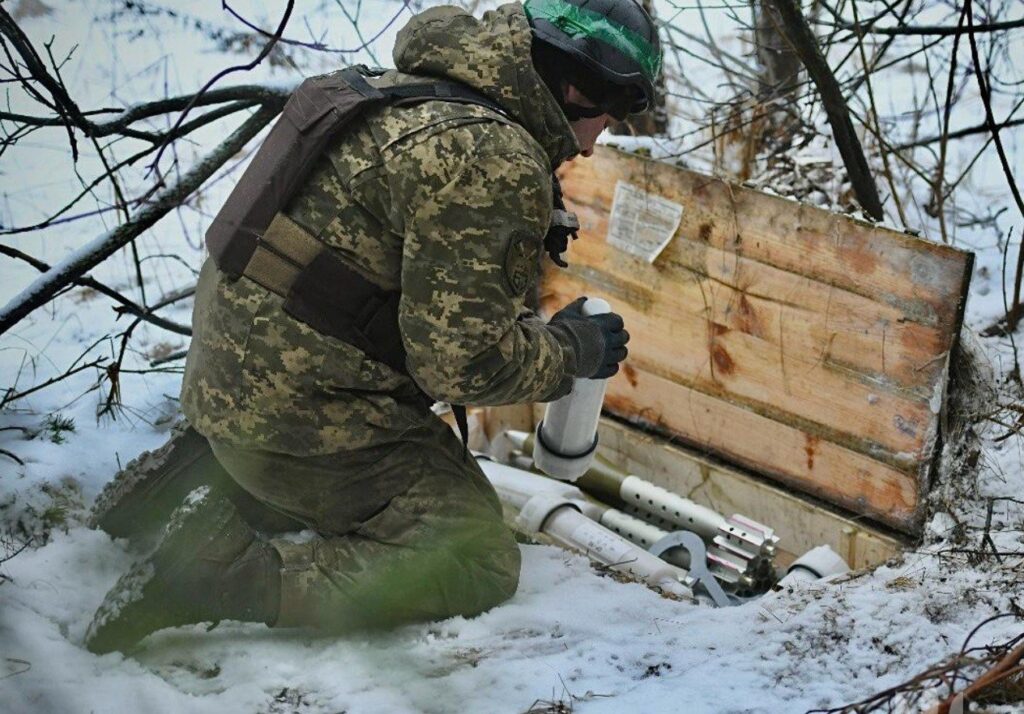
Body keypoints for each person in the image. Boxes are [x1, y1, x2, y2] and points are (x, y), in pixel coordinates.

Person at [85, 0, 662, 654]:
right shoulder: (489, 154)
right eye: (609, 117)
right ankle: (219, 576)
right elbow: (462, 365)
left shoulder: (396, 90)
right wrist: (571, 351)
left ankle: (207, 467)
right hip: (297, 411)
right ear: (575, 88)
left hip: (223, 374)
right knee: (475, 555)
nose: (600, 140)